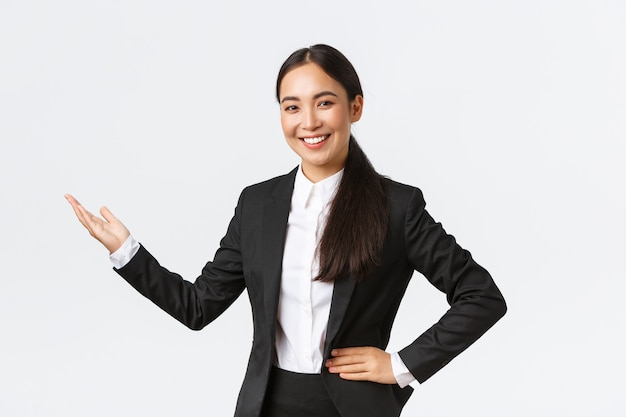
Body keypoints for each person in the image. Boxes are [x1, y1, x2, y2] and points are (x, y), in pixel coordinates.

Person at [65, 44, 506, 417]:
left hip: (355, 408)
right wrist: (126, 250)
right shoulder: (257, 205)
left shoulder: (396, 206)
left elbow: (482, 297)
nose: (308, 121)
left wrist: (402, 365)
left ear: (355, 107)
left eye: (325, 102)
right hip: (267, 404)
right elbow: (197, 307)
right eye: (292, 106)